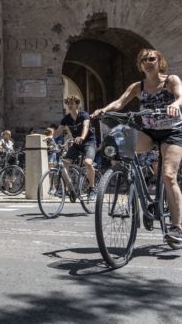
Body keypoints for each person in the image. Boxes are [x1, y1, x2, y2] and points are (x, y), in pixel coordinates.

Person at [92, 48, 182, 243]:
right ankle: (129, 176)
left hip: (173, 132)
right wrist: (104, 110)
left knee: (168, 175)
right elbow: (120, 102)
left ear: (159, 61)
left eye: (152, 59)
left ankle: (176, 227)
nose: (148, 62)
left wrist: (176, 104)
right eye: (144, 60)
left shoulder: (170, 80)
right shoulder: (137, 86)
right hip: (148, 132)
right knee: (123, 141)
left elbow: (180, 95)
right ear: (140, 65)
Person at [53, 95, 97, 200]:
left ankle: (92, 188)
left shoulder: (84, 115)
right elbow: (59, 131)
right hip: (77, 145)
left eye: (71, 103)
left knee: (87, 163)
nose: (69, 105)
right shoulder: (66, 118)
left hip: (89, 143)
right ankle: (70, 189)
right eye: (68, 103)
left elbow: (86, 126)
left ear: (77, 104)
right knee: (64, 163)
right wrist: (50, 136)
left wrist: (82, 137)